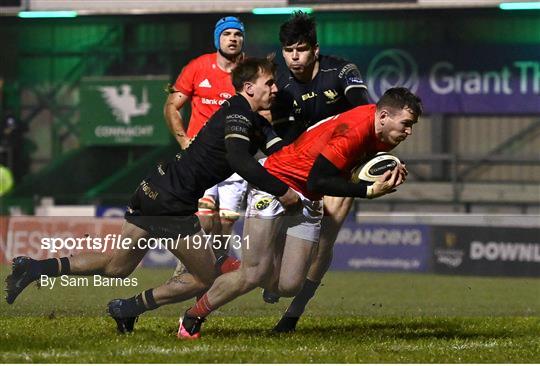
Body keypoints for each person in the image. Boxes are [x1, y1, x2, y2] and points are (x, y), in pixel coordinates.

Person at [5, 57, 300, 334]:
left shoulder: (255, 121)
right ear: (249, 88)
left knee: (117, 266)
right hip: (172, 202)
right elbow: (238, 159)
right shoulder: (238, 112)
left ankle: (34, 267)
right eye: (270, 83)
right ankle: (129, 307)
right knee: (204, 277)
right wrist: (282, 192)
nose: (275, 89)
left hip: (154, 187)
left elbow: (286, 154)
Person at [177, 87, 423, 339]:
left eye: (412, 125)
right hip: (276, 184)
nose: (409, 131)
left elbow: (337, 173)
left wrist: (384, 170)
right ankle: (193, 317)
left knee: (289, 284)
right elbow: (319, 181)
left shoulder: (381, 131)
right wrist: (369, 190)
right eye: (405, 124)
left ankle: (227, 265)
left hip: (308, 197)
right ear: (383, 116)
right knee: (253, 275)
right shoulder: (355, 129)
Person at [264, 11, 373, 332]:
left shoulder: (341, 70)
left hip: (340, 165)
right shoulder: (279, 82)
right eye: (288, 50)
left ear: (315, 49)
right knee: (280, 227)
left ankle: (292, 316)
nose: (294, 57)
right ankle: (274, 277)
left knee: (325, 239)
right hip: (298, 164)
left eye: (300, 49)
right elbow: (273, 127)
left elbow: (363, 109)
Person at [164, 16, 247, 262]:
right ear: (217, 38)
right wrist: (184, 142)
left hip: (235, 159)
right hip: (201, 158)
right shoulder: (197, 67)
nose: (233, 38)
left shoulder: (252, 71)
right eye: (227, 34)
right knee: (204, 219)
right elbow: (171, 106)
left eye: (238, 34)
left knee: (226, 225)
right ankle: (188, 271)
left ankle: (213, 275)